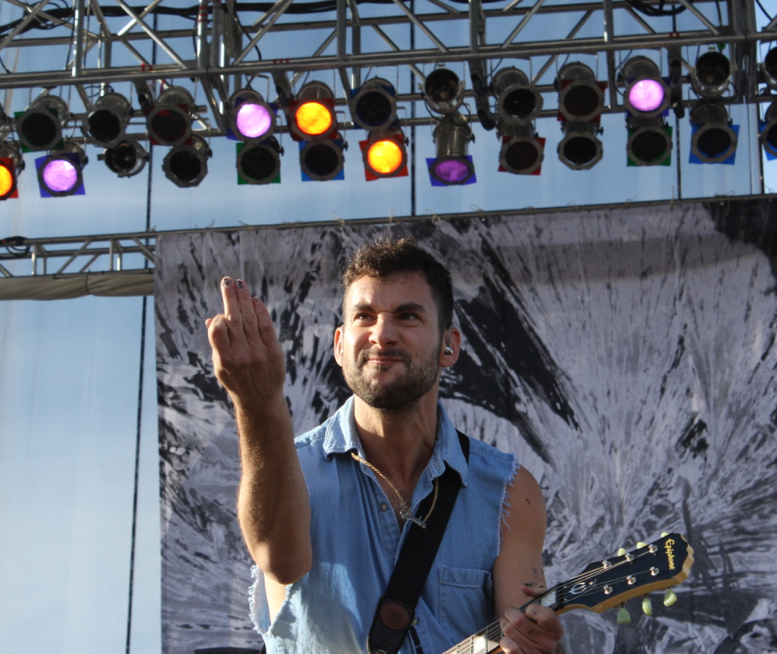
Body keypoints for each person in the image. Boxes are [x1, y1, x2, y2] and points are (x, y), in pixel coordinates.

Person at [206, 237, 564, 654]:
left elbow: (524, 637)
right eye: (364, 316)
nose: (381, 334)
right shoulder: (292, 468)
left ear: (449, 345)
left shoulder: (508, 491)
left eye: (407, 316)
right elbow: (280, 561)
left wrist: (539, 647)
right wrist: (257, 401)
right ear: (340, 345)